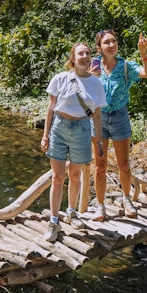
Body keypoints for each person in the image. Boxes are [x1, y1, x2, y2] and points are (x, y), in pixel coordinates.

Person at [41, 42, 107, 242]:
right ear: (73, 58)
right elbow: (51, 108)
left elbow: (96, 114)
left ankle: (71, 212)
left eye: (87, 53)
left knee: (76, 176)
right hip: (59, 127)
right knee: (58, 177)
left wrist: (99, 142)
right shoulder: (60, 79)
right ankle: (53, 221)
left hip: (82, 129)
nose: (85, 56)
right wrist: (45, 135)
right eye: (81, 53)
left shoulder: (96, 84)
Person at [90, 30, 147, 220]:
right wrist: (89, 77)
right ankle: (100, 206)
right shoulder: (92, 66)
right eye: (106, 42)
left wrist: (144, 54)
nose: (111, 45)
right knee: (100, 166)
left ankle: (127, 199)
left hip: (119, 117)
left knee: (124, 165)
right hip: (98, 119)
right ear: (99, 47)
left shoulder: (125, 66)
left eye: (114, 41)